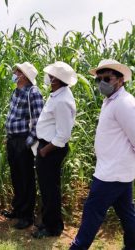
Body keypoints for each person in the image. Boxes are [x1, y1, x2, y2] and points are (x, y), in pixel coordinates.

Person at [70, 59, 135, 249]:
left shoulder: (125, 103)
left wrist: (124, 162)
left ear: (121, 80)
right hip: (116, 171)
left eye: (106, 78)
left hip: (112, 173)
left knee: (92, 212)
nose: (101, 83)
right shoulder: (111, 101)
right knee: (126, 213)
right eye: (98, 80)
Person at [32, 61, 77, 238]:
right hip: (46, 147)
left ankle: (53, 228)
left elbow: (63, 134)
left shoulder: (63, 101)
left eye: (50, 76)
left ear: (57, 80)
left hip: (51, 150)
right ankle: (47, 222)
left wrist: (45, 151)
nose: (47, 78)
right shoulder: (57, 95)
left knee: (50, 190)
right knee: (46, 188)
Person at [3, 62, 44, 229]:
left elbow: (39, 120)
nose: (14, 73)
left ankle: (27, 216)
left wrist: (29, 141)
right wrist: (8, 137)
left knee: (26, 179)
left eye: (17, 71)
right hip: (13, 140)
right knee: (16, 177)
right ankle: (18, 210)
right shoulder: (17, 91)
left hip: (23, 141)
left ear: (25, 76)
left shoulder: (33, 93)